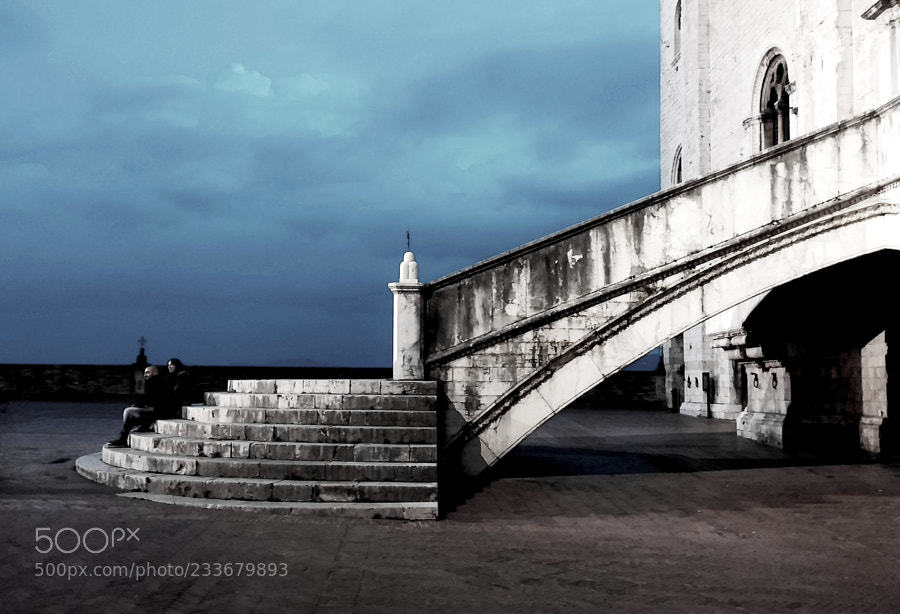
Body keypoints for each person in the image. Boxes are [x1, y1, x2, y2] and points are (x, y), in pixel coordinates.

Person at [106, 365, 175, 448]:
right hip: (159, 410)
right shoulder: (156, 381)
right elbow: (150, 400)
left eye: (147, 373)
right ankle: (139, 429)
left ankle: (123, 438)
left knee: (128, 412)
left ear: (155, 373)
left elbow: (156, 401)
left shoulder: (157, 382)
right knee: (132, 410)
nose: (145, 375)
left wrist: (140, 406)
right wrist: (140, 405)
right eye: (144, 373)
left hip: (161, 412)